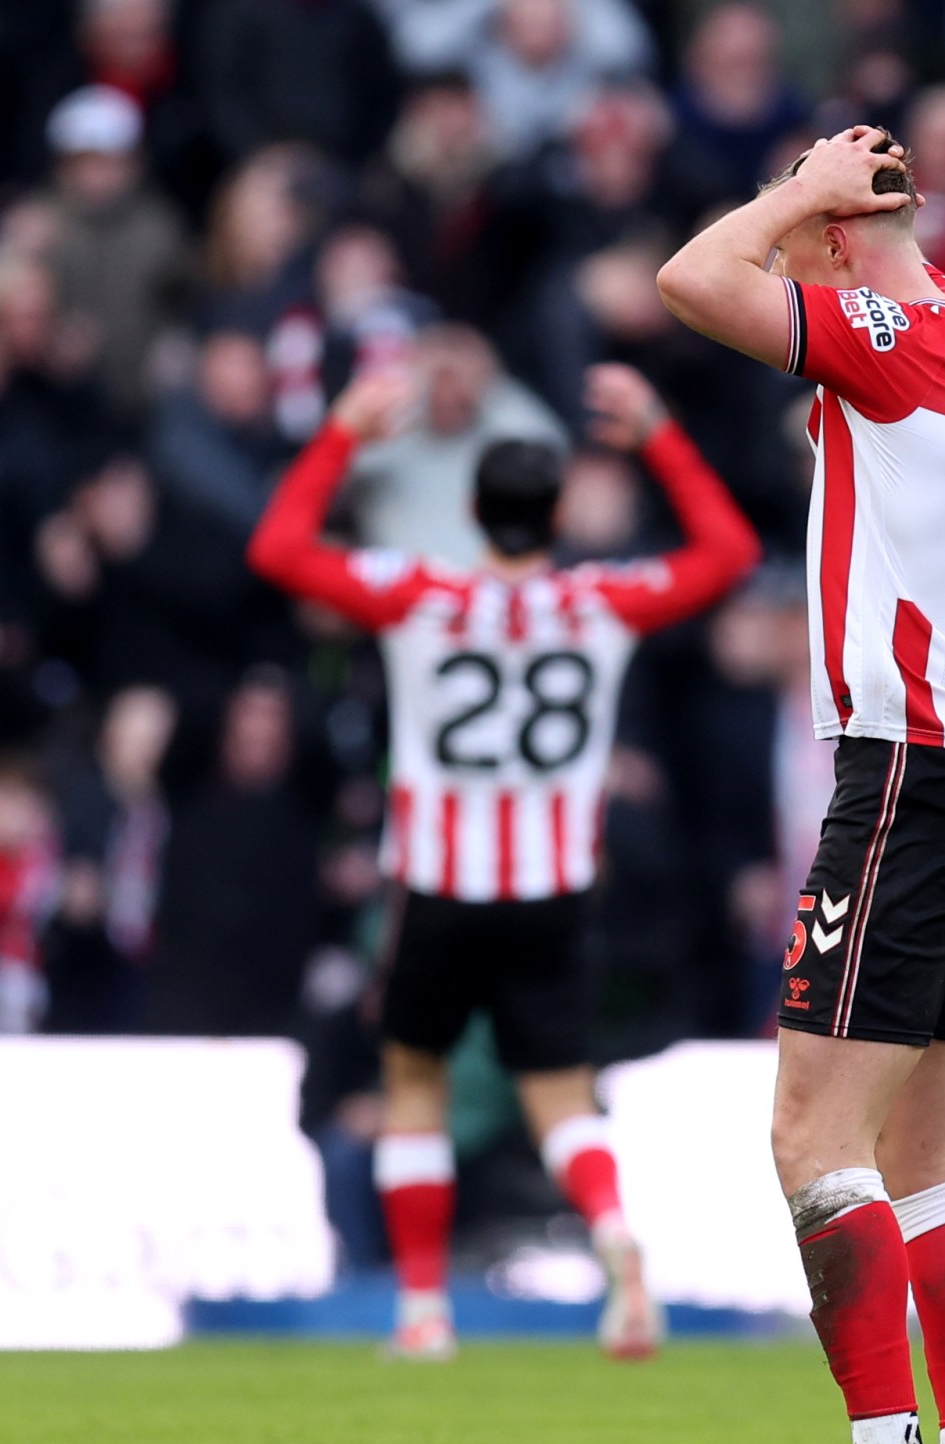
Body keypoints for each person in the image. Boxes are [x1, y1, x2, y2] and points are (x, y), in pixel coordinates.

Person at [657, 126, 945, 1444]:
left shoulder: (888, 333)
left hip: (912, 771)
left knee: (810, 1131)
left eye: (805, 224)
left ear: (835, 235)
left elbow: (691, 281)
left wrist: (794, 193)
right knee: (927, 1150)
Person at [247, 360, 759, 1361]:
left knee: (414, 1081)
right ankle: (616, 1237)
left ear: (473, 510)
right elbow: (730, 552)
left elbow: (278, 546)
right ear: (558, 513)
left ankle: (424, 1308)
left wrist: (344, 432)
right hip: (553, 889)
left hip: (438, 883)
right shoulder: (602, 601)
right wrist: (658, 432)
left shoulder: (421, 595)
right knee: (561, 1092)